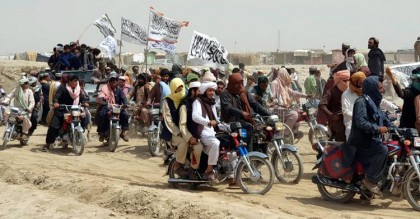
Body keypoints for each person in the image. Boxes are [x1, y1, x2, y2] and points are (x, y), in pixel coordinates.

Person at [348, 76, 394, 197]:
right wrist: (378, 128)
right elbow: (360, 122)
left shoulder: (374, 102)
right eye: (379, 88)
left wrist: (395, 128)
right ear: (372, 88)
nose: (382, 90)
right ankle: (370, 180)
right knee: (383, 150)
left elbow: (384, 119)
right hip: (361, 141)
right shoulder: (361, 102)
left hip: (371, 138)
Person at [220, 73, 271, 151]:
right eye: (237, 84)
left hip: (245, 118)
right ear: (232, 83)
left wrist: (269, 114)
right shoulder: (225, 93)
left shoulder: (243, 92)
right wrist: (242, 113)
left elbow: (255, 104)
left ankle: (260, 153)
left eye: (241, 83)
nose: (240, 85)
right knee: (248, 126)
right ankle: (248, 154)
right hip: (231, 120)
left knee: (263, 126)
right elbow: (228, 108)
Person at [342, 72, 397, 140]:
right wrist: (359, 117)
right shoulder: (347, 95)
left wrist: (395, 108)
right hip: (353, 123)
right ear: (355, 83)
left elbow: (382, 102)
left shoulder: (369, 92)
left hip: (370, 124)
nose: (363, 85)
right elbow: (346, 111)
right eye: (361, 83)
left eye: (364, 83)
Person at [44, 75, 86, 152]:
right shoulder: (63, 87)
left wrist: (84, 103)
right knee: (53, 127)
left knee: (84, 118)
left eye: (77, 81)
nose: (76, 82)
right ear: (69, 82)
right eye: (74, 81)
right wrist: (56, 103)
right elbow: (57, 96)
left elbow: (82, 98)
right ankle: (48, 144)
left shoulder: (79, 89)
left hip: (75, 110)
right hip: (62, 110)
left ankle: (80, 137)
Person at [192, 82, 221, 182]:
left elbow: (216, 119)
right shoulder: (198, 101)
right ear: (205, 91)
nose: (212, 92)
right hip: (202, 131)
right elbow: (195, 116)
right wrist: (208, 122)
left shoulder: (211, 102)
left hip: (212, 131)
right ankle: (209, 170)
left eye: (213, 90)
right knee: (215, 143)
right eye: (210, 90)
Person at [161, 78, 189, 177]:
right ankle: (177, 166)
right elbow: (168, 120)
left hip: (185, 130)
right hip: (172, 132)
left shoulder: (186, 98)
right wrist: (178, 132)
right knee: (184, 142)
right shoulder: (167, 101)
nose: (180, 89)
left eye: (182, 86)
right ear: (173, 88)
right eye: (178, 87)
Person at [271, 68, 308, 138]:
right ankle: (284, 133)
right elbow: (273, 97)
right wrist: (281, 104)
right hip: (278, 108)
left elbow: (293, 92)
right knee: (294, 115)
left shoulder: (283, 85)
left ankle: (294, 131)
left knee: (299, 113)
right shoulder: (274, 83)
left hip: (285, 107)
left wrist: (306, 95)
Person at [178, 81, 203, 179]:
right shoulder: (185, 105)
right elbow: (182, 125)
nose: (201, 93)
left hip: (200, 134)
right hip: (188, 135)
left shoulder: (201, 103)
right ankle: (193, 169)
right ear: (193, 91)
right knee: (198, 147)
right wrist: (190, 138)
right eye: (199, 91)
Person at [96, 73, 129, 142]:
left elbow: (123, 98)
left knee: (125, 115)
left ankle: (123, 133)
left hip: (117, 108)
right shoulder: (105, 88)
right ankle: (101, 133)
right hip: (107, 106)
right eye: (111, 80)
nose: (113, 82)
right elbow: (101, 95)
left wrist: (125, 104)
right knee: (101, 114)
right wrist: (101, 100)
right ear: (109, 81)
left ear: (117, 81)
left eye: (115, 80)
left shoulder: (119, 90)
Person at [319, 70, 350, 142]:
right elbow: (321, 105)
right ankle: (340, 147)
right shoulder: (330, 92)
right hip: (337, 119)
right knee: (342, 129)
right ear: (342, 81)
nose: (350, 82)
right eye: (348, 80)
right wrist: (332, 116)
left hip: (348, 116)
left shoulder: (349, 91)